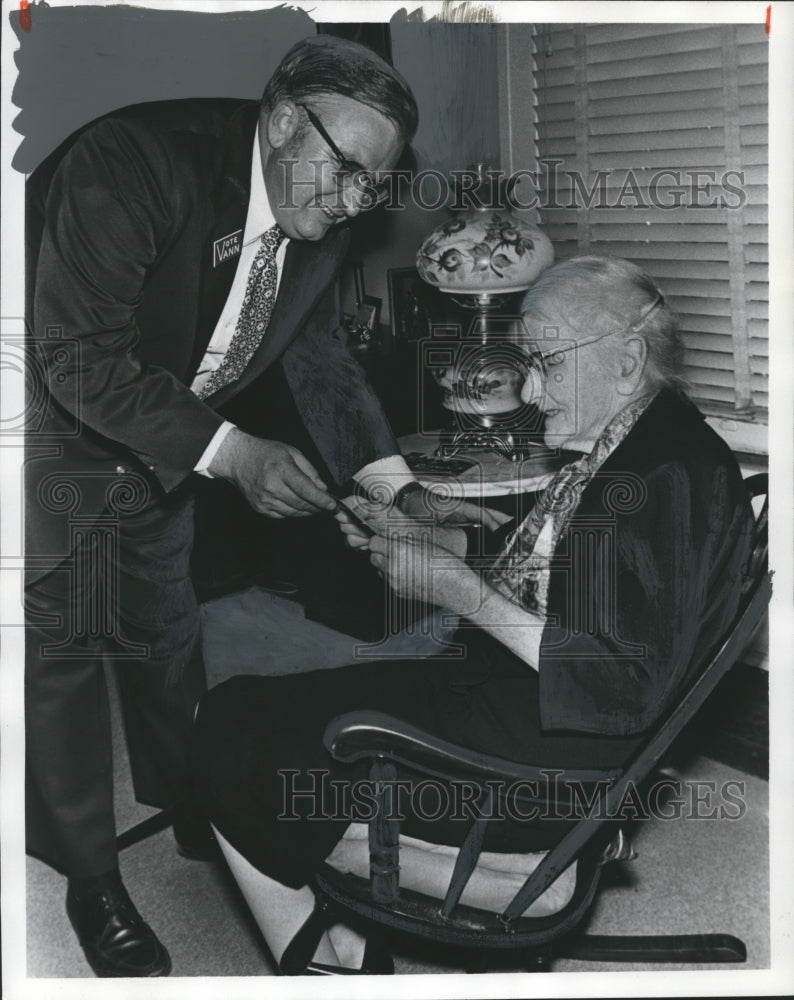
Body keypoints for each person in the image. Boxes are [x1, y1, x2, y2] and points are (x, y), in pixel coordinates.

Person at [24, 35, 503, 978]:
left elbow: (319, 357)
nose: (362, 199)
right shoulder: (130, 164)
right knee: (65, 658)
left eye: (379, 183)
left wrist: (395, 487)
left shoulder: (319, 213)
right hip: (45, 419)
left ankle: (198, 800)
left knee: (165, 639)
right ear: (285, 121)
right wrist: (230, 451)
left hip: (161, 443)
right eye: (352, 170)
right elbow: (76, 355)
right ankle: (88, 876)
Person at [193, 255, 756, 973]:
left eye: (544, 362)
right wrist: (441, 541)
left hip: (541, 766)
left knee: (232, 731)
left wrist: (458, 588)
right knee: (260, 714)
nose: (527, 389)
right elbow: (574, 567)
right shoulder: (652, 445)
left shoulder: (662, 479)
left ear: (626, 361)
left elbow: (622, 681)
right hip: (535, 713)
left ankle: (338, 960)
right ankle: (357, 939)